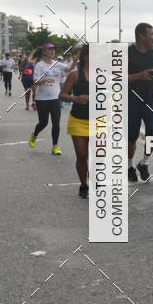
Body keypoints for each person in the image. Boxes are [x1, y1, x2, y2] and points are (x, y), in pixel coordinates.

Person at [128, 22, 153, 182]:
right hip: (131, 102)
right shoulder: (127, 53)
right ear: (141, 36)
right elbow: (116, 77)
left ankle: (144, 163)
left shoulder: (152, 52)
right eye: (151, 34)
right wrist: (139, 76)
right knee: (132, 137)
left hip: (151, 101)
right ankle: (130, 166)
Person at [59, 43, 91, 197]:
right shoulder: (75, 75)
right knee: (82, 155)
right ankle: (84, 184)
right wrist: (76, 98)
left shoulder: (104, 75)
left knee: (100, 155)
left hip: (99, 120)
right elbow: (62, 95)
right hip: (78, 120)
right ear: (86, 56)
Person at [29, 43, 65, 154]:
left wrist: (79, 60)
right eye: (50, 49)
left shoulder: (58, 64)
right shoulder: (40, 65)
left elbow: (69, 69)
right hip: (42, 98)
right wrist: (45, 79)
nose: (52, 51)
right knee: (43, 122)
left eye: (54, 49)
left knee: (56, 122)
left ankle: (55, 146)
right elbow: (35, 81)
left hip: (55, 97)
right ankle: (34, 135)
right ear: (44, 52)